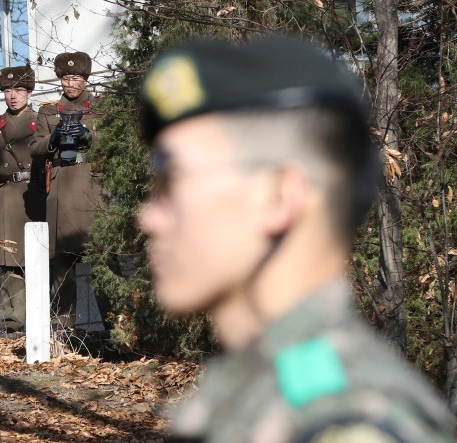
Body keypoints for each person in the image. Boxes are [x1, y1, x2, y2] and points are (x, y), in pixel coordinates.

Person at [137, 37, 454, 442]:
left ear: (278, 197)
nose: (149, 217)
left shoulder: (344, 423)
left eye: (171, 180)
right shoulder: (269, 392)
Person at [30, 51, 107, 329]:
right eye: (65, 77)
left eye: (76, 77)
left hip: (94, 190)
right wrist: (53, 137)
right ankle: (63, 335)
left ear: (85, 79)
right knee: (62, 271)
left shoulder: (103, 107)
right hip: (61, 191)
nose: (70, 83)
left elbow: (115, 143)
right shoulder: (49, 111)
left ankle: (118, 331)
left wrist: (89, 135)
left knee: (104, 266)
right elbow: (35, 149)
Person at [0, 66, 44, 333]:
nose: (13, 96)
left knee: (40, 260)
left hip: (38, 194)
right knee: (10, 264)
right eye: (7, 90)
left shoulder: (41, 121)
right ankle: (12, 324)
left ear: (29, 91)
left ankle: (42, 320)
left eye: (18, 90)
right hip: (7, 198)